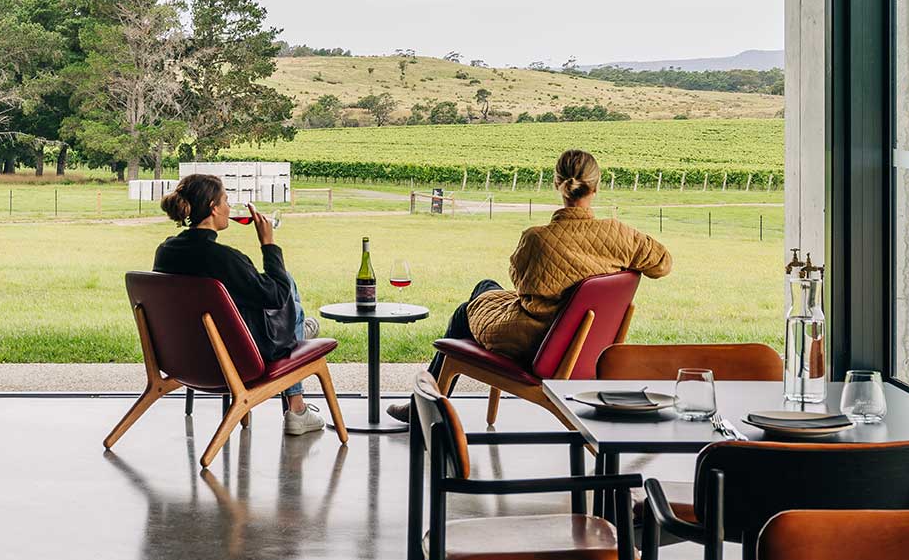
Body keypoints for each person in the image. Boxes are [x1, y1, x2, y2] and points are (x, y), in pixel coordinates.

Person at [387, 149, 672, 422]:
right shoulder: (622, 236)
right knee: (485, 286)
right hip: (587, 346)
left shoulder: (537, 239)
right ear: (596, 187)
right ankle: (426, 403)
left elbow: (524, 288)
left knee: (465, 311)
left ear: (558, 184)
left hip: (538, 344)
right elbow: (663, 264)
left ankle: (423, 407)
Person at [154, 173, 326, 436]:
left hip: (184, 358)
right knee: (286, 283)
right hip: (235, 358)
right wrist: (268, 243)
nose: (228, 208)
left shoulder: (165, 251)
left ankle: (299, 328)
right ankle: (297, 397)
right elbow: (276, 296)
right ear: (213, 208)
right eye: (225, 200)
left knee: (278, 287)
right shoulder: (225, 260)